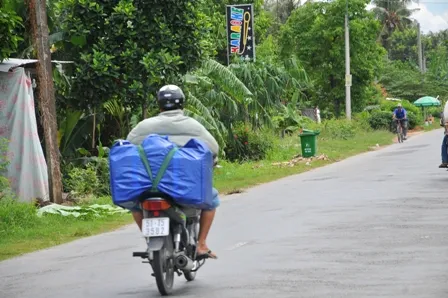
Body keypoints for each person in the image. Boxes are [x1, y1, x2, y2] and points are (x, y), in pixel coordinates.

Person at [126, 84, 220, 259]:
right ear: (182, 104)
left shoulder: (143, 126)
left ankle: (149, 241)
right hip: (184, 187)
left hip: (149, 187)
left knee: (134, 204)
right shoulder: (193, 126)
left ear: (159, 105)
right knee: (212, 199)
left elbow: (127, 149)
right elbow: (214, 148)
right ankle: (201, 245)